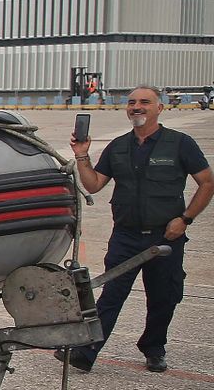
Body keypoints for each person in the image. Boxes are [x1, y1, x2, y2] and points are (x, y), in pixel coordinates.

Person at [59, 85, 213, 373]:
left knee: (163, 297)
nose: (136, 107)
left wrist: (186, 219)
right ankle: (86, 351)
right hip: (126, 236)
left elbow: (207, 182)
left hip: (166, 236)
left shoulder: (180, 143)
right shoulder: (118, 146)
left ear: (159, 108)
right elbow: (94, 184)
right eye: (131, 103)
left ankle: (154, 348)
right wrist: (81, 155)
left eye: (144, 102)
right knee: (111, 295)